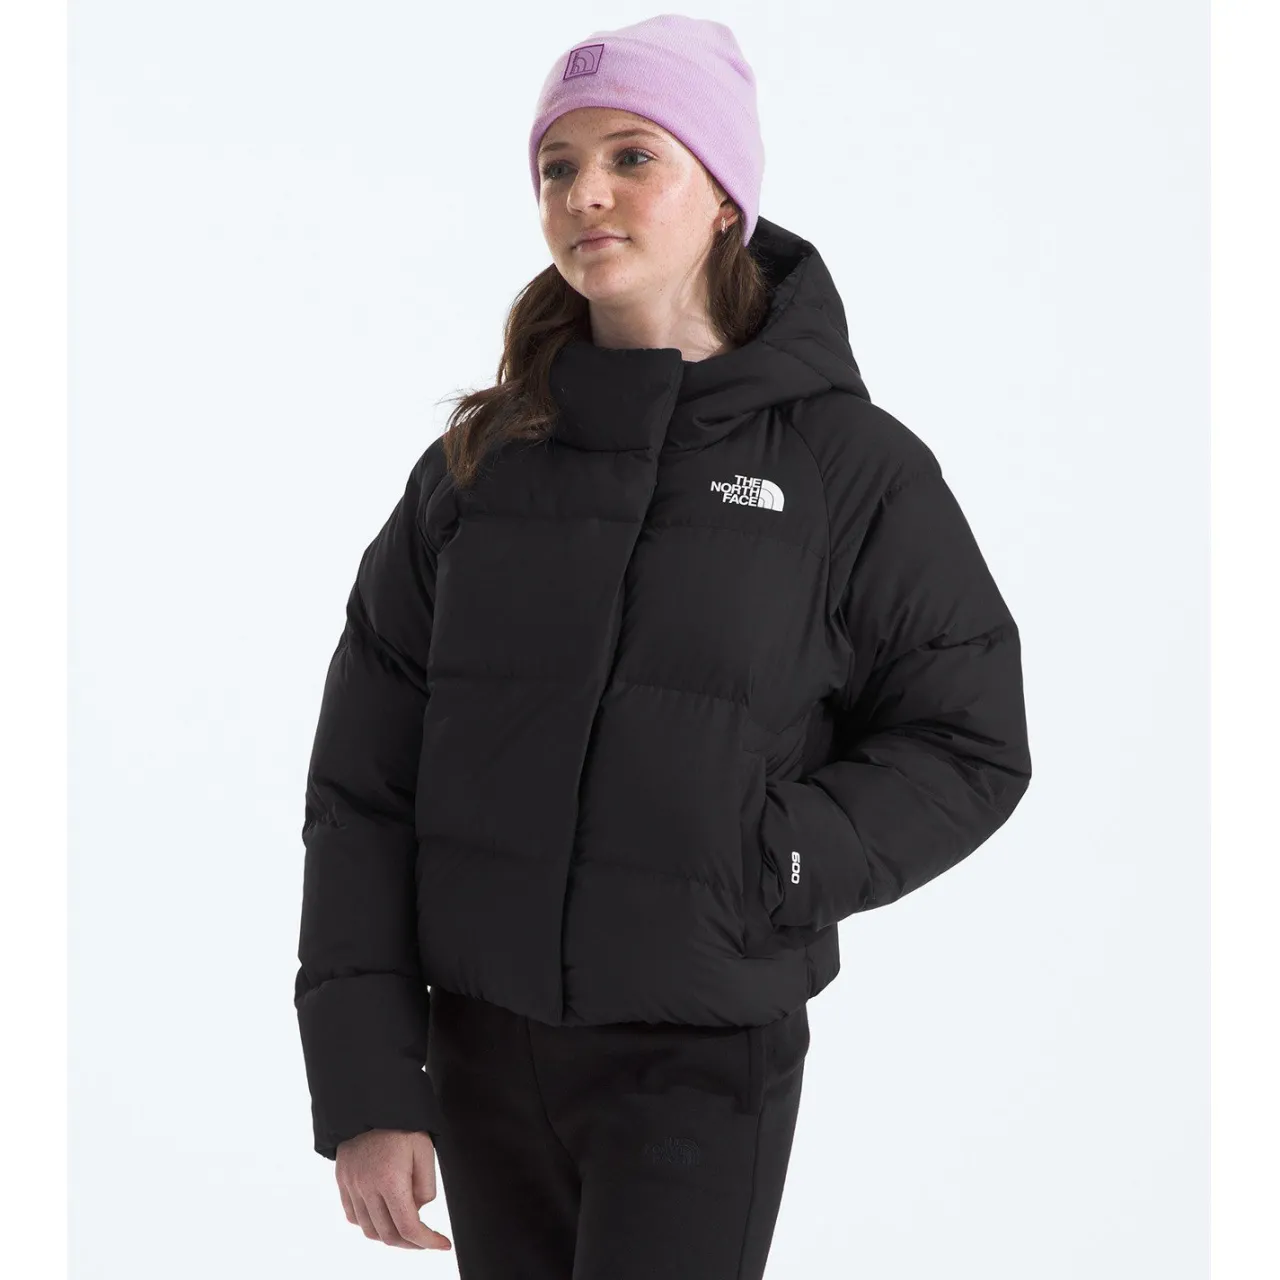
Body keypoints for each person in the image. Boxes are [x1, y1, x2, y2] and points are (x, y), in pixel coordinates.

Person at [293, 13, 1032, 1279]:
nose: (584, 193)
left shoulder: (848, 468)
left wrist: (775, 857)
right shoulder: (476, 468)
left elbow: (968, 739)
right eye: (556, 165)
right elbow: (363, 782)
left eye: (631, 156)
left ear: (724, 194)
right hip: (481, 1056)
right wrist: (368, 1080)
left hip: (697, 1058)